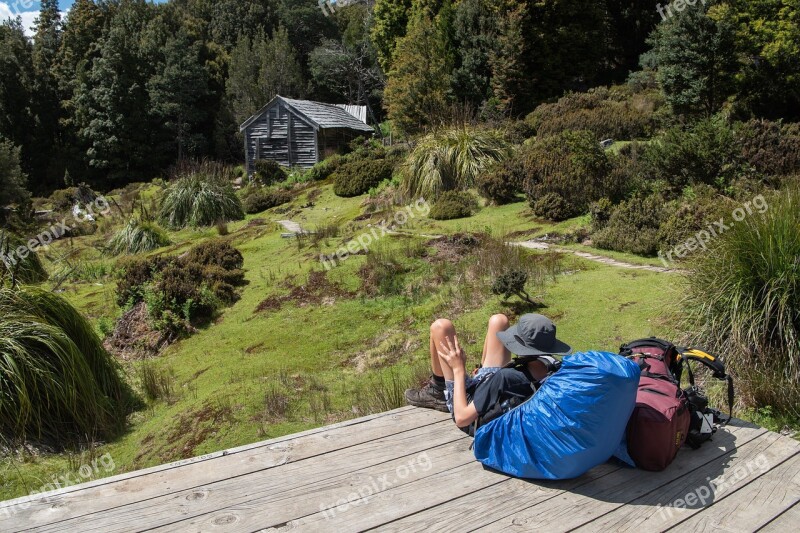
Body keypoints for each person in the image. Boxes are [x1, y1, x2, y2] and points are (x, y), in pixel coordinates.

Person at [404, 313, 572, 433]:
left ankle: (438, 389)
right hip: (496, 391)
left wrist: (458, 369)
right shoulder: (554, 367)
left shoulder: (505, 378)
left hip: (470, 406)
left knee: (441, 327)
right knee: (499, 320)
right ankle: (460, 379)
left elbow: (463, 418)